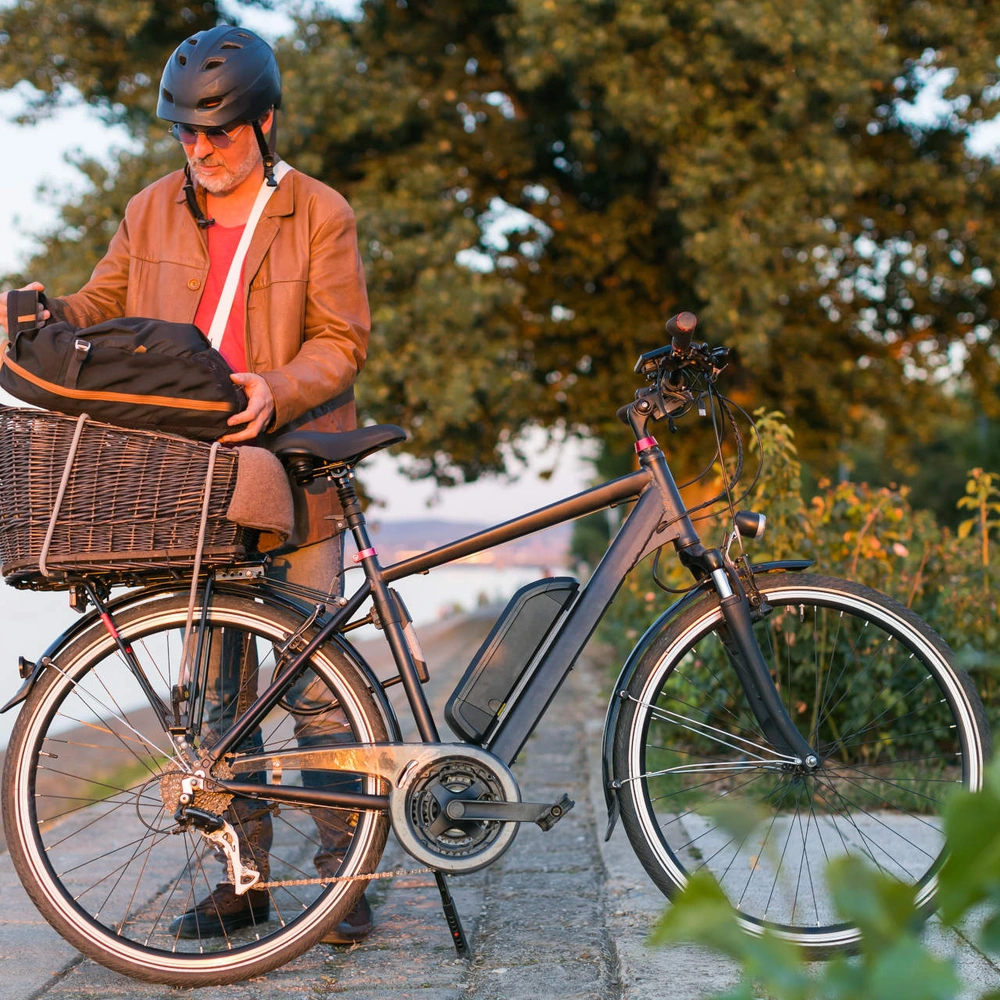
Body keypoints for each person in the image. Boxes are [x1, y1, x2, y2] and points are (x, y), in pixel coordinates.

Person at [0, 25, 373, 946]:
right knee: (209, 699)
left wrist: (274, 387)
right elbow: (100, 308)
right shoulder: (150, 209)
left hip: (295, 469)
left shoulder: (319, 212)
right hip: (194, 476)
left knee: (315, 687)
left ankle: (343, 879)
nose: (201, 150)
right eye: (186, 133)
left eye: (220, 131)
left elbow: (341, 340)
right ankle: (243, 879)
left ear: (265, 121)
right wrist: (36, 309)